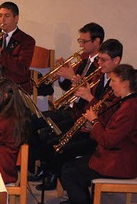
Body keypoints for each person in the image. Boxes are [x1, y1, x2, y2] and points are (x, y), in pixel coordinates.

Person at [61, 64, 137, 204]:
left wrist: (95, 122)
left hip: (119, 163)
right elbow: (109, 121)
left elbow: (108, 140)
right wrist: (95, 119)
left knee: (70, 173)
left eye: (113, 81)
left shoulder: (130, 107)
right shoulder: (125, 100)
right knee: (70, 167)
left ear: (125, 82)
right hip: (113, 156)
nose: (111, 84)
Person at [34, 39, 123, 192]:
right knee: (52, 142)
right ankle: (64, 182)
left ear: (116, 60)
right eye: (99, 59)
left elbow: (108, 112)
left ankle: (71, 187)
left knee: (60, 149)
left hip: (98, 136)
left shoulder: (119, 84)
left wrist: (88, 98)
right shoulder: (99, 76)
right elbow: (87, 105)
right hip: (86, 126)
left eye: (103, 60)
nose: (99, 63)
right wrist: (78, 87)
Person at [29, 23, 104, 188]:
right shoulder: (84, 60)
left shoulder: (100, 67)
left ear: (97, 42)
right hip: (69, 109)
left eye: (84, 41)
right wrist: (62, 74)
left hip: (78, 114)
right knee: (33, 121)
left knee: (48, 135)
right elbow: (67, 87)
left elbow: (91, 96)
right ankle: (41, 168)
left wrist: (72, 77)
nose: (81, 45)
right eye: (80, 41)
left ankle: (51, 173)